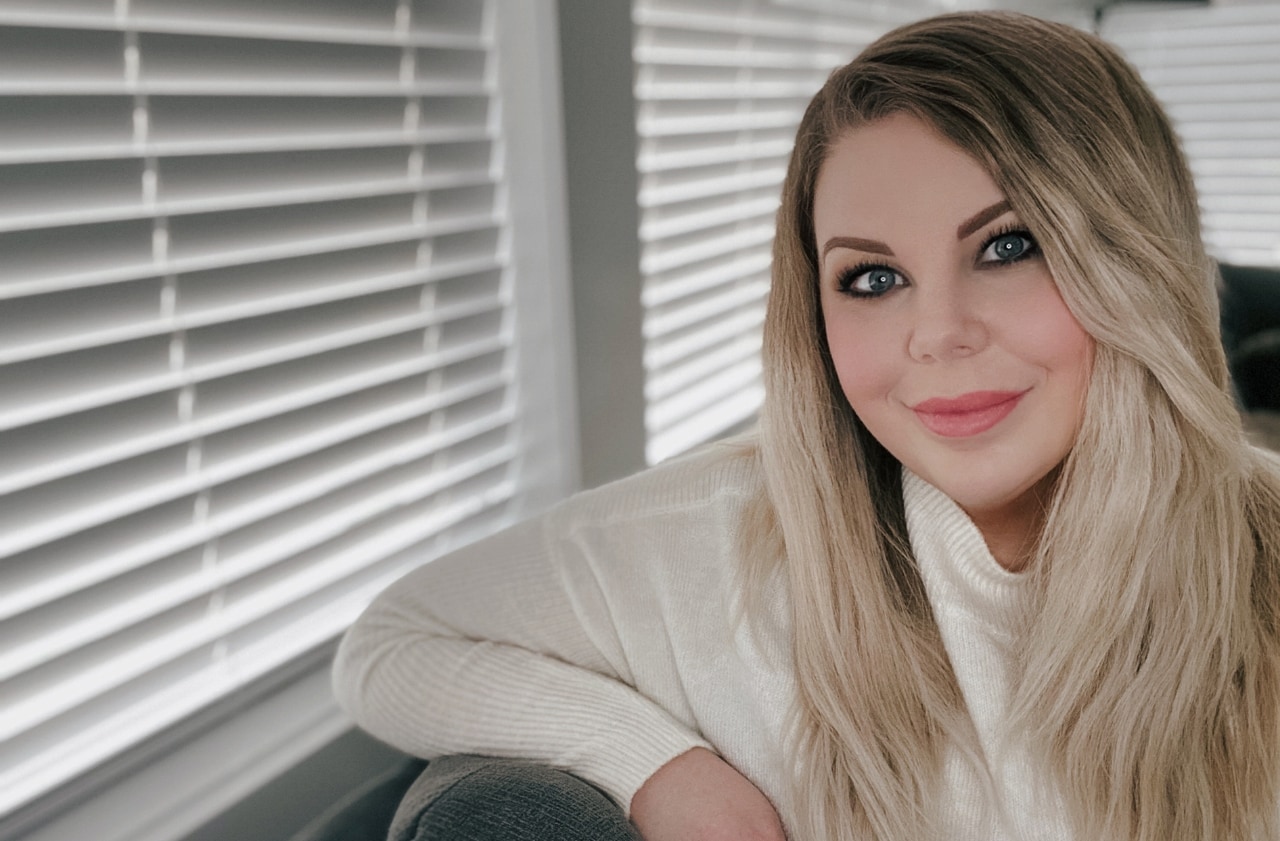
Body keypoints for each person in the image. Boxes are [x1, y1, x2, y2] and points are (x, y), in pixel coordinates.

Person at [332, 10, 1280, 841]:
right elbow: (392, 645)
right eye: (872, 277)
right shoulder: (709, 541)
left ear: (1137, 257)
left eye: (1009, 245)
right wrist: (651, 763)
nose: (938, 335)